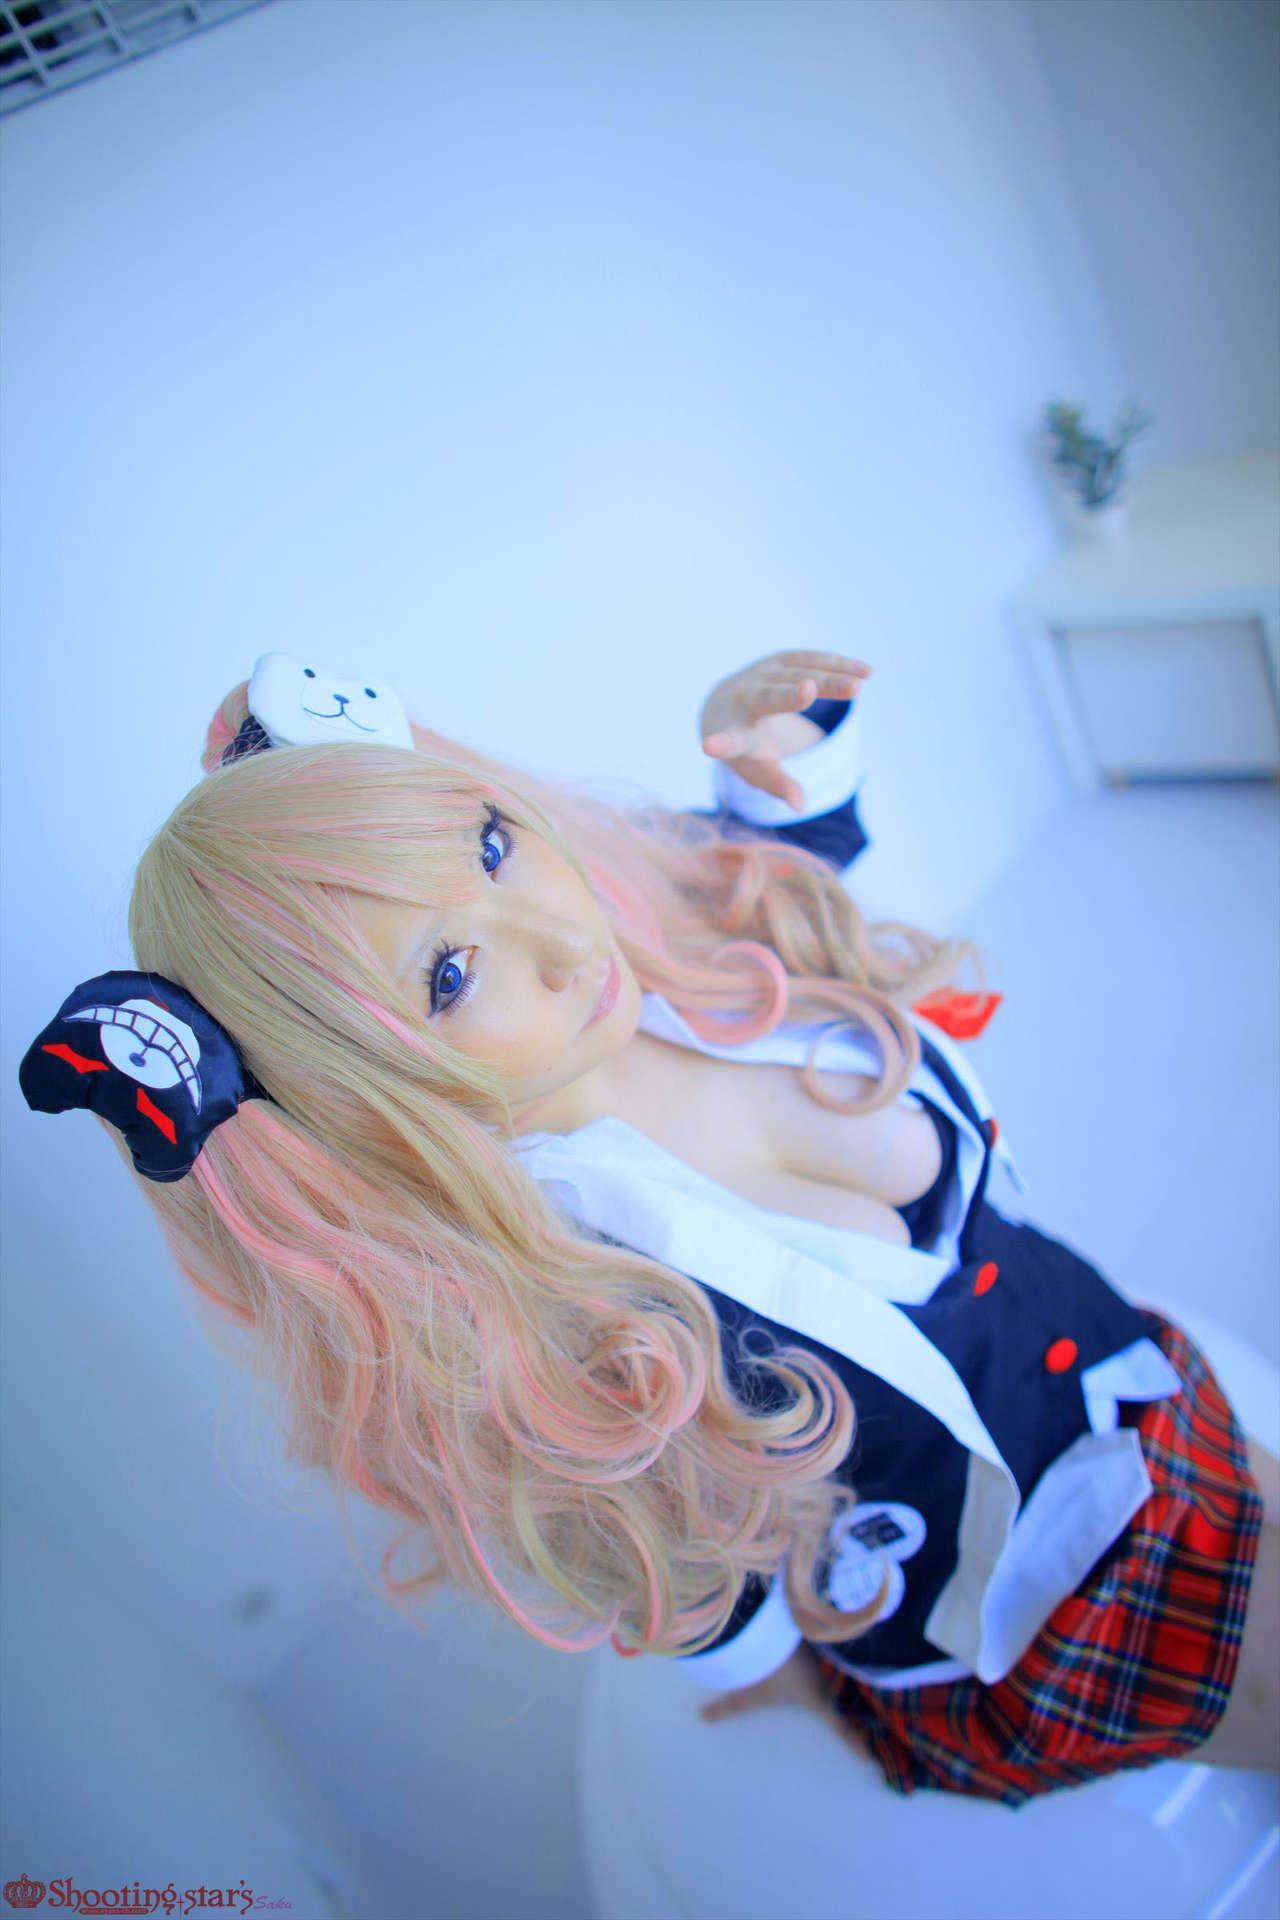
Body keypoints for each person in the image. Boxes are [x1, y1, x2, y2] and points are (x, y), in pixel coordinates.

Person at [20, 647, 1276, 1808]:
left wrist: (785, 756)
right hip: (1035, 1608)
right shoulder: (555, 1303)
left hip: (1128, 1372)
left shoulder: (669, 957)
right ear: (351, 1085)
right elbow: (660, 1557)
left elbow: (776, 879)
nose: (565, 941)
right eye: (449, 975)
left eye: (493, 844)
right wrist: (775, 1671)